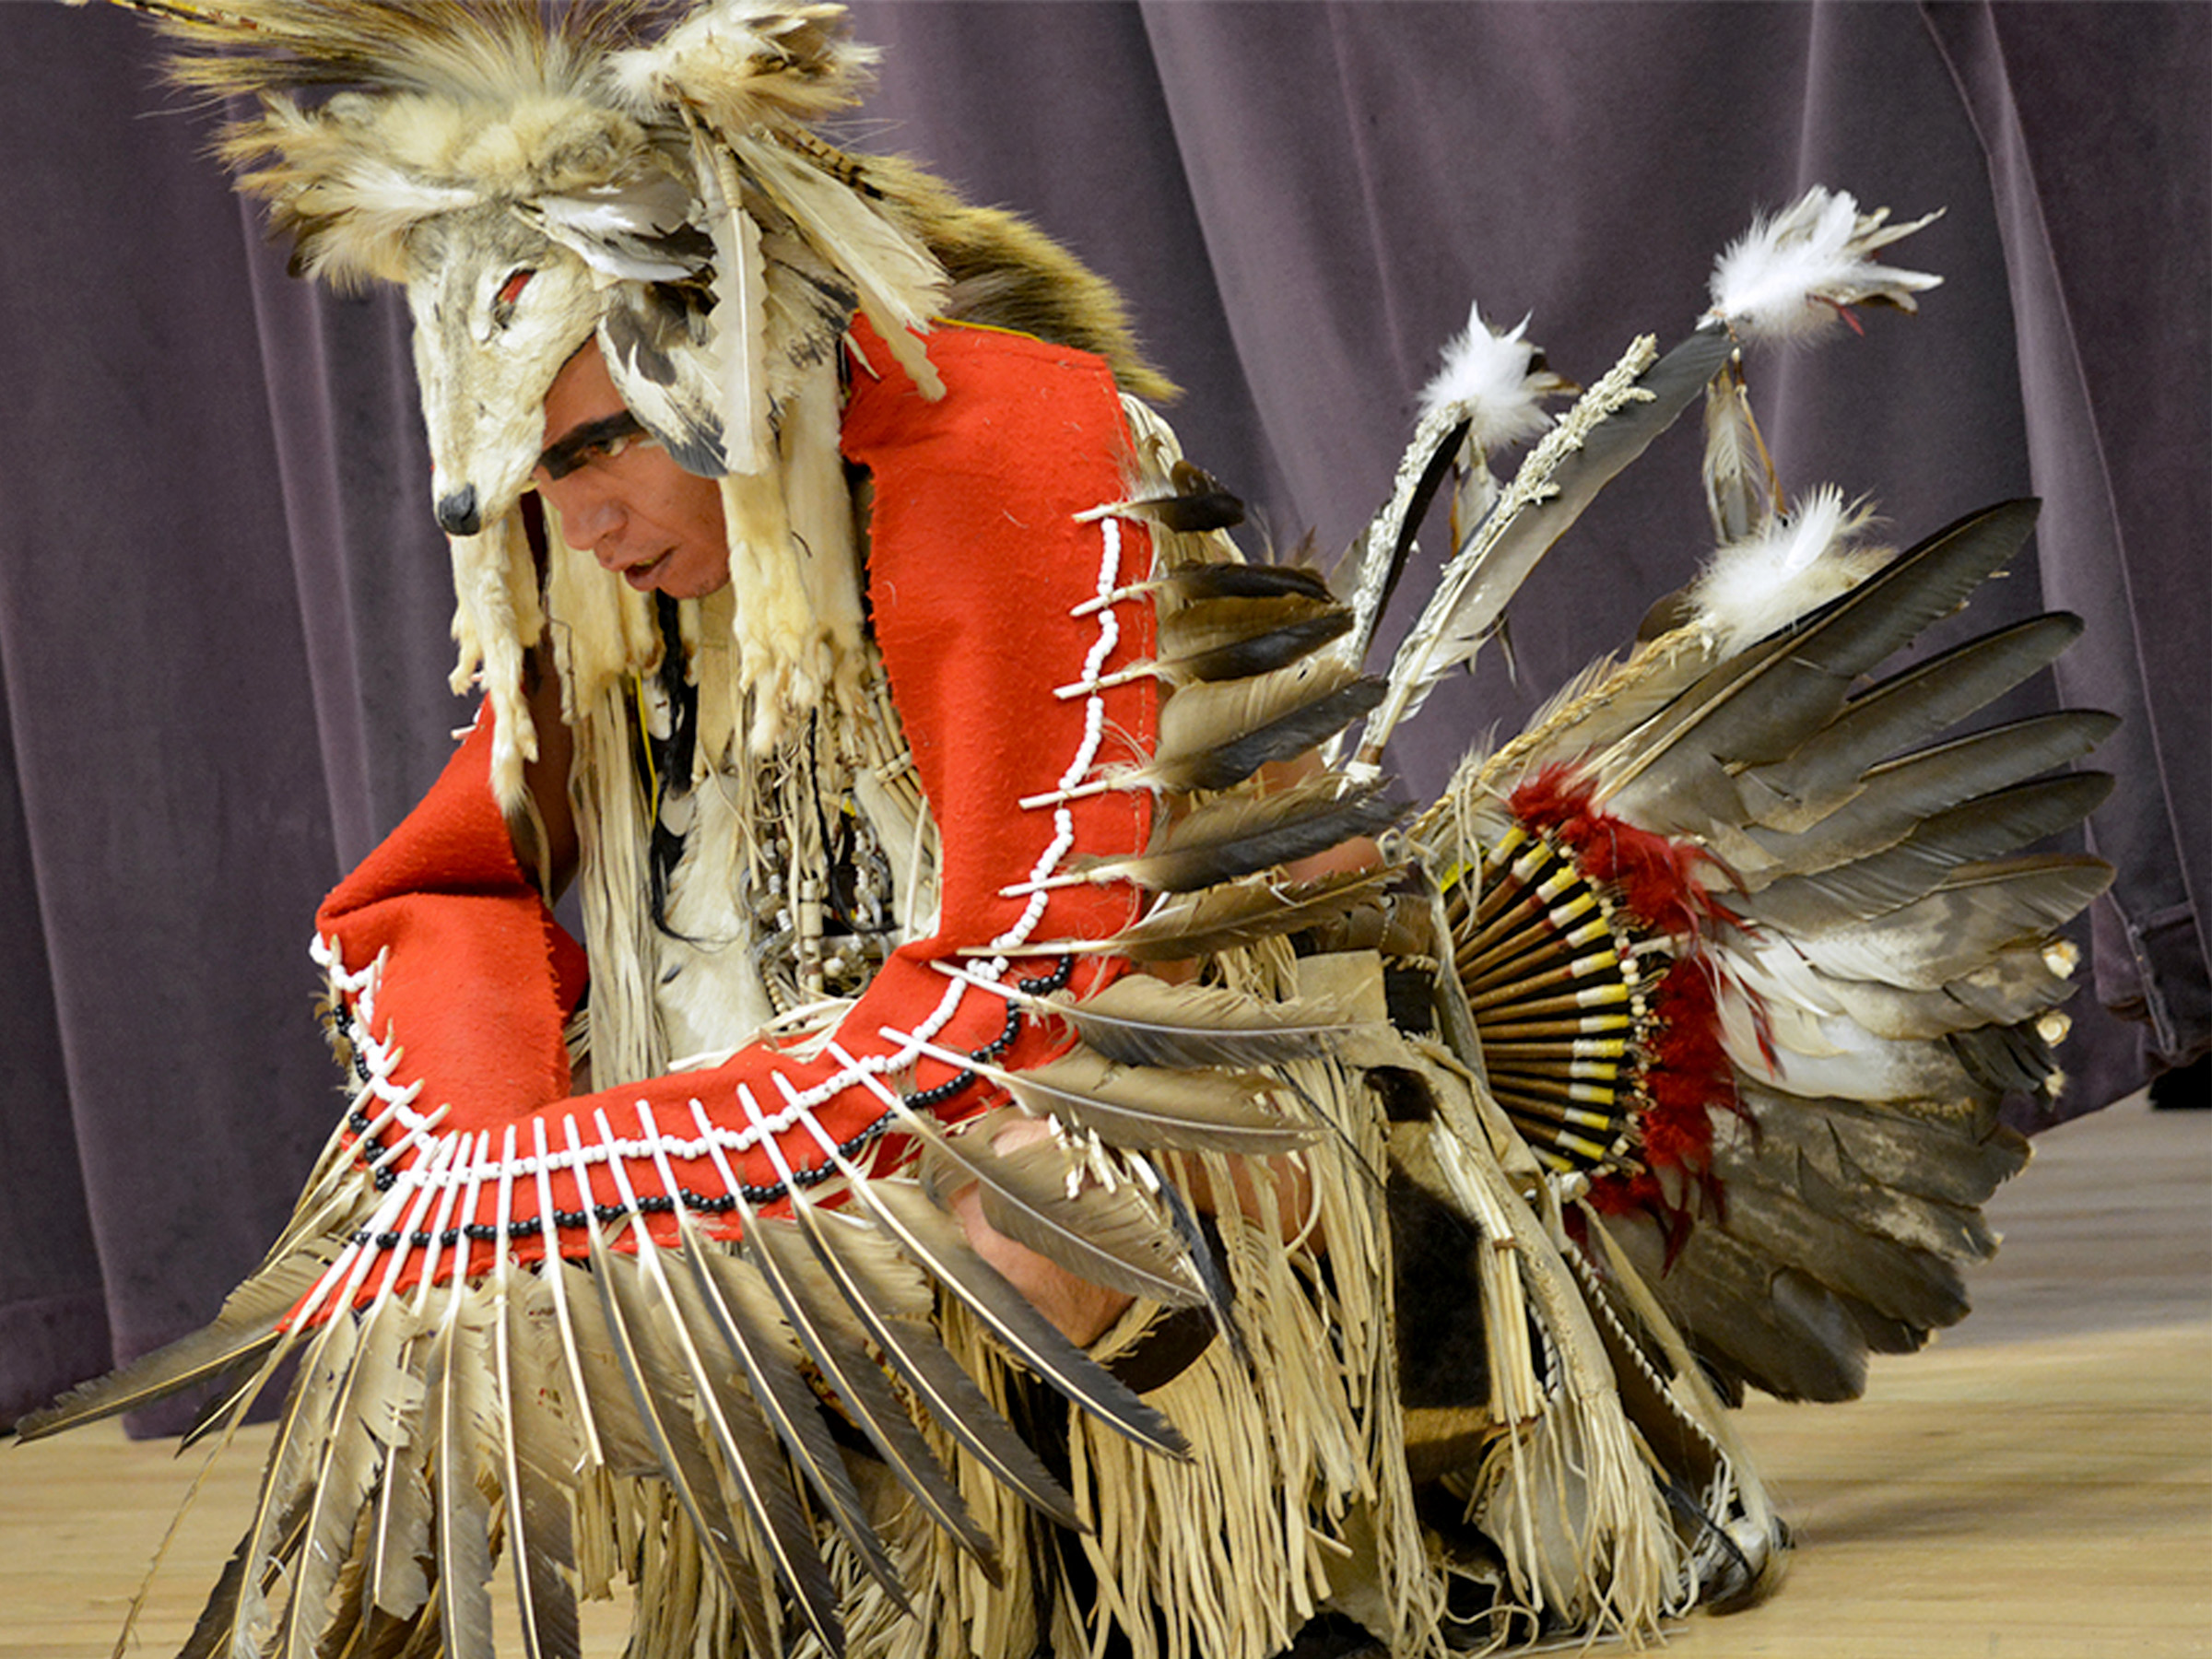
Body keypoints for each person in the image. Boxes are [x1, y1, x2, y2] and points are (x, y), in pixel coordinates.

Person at [25, 8, 2107, 1659]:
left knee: (1036, 1190)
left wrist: (585, 1193)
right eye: (514, 488)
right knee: (430, 1258)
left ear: (724, 360)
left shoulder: (998, 449)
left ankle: (1250, 1541)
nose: (566, 519)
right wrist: (486, 1172)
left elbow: (1025, 984)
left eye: (588, 455)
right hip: (881, 1086)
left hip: (1196, 1096)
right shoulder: (602, 580)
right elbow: (428, 895)